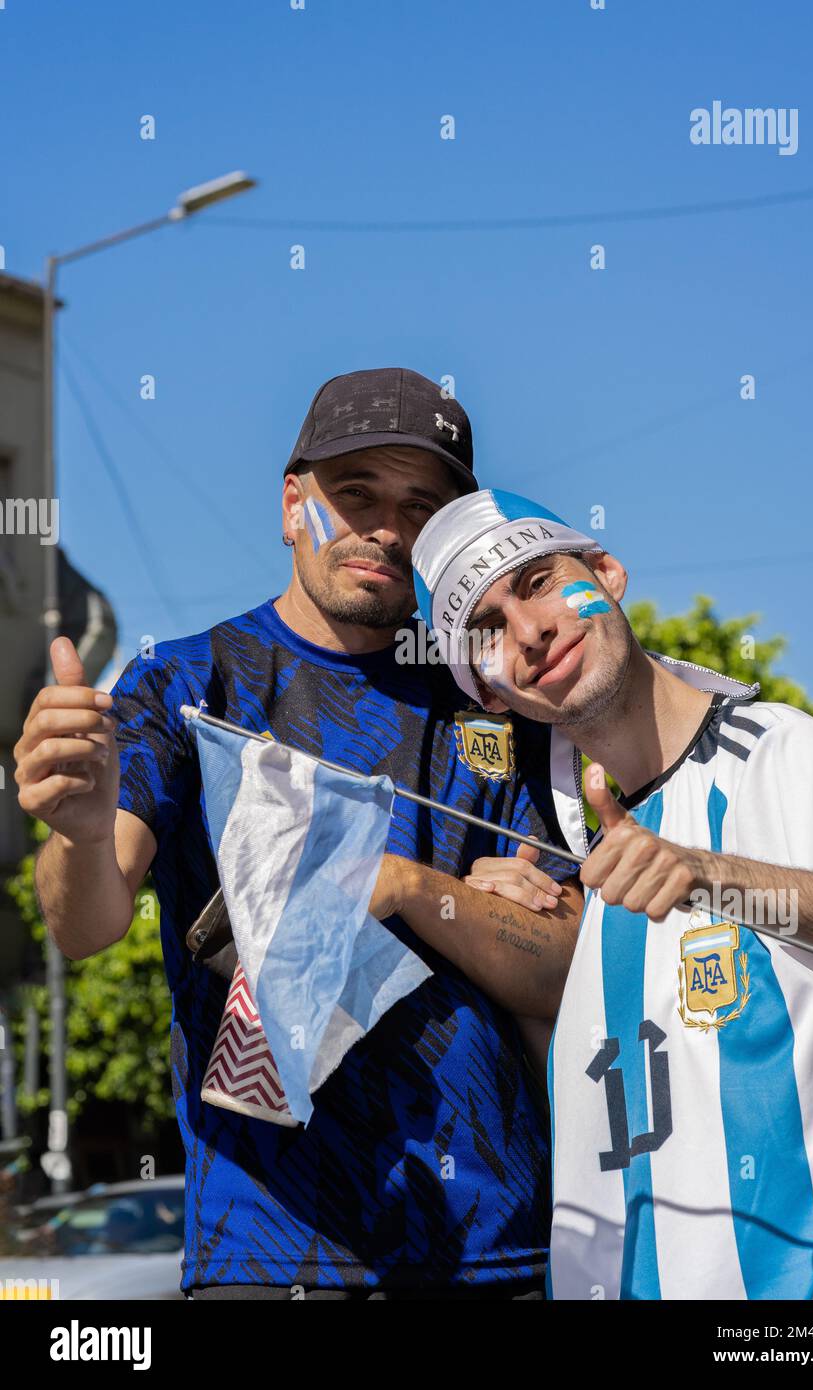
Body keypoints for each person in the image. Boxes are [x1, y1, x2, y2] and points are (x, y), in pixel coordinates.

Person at [14, 372, 581, 1300]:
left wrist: (405, 885)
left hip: (495, 1250)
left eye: (421, 507)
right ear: (292, 504)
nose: (387, 529)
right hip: (269, 1247)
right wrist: (78, 833)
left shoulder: (501, 697)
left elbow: (562, 969)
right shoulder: (182, 684)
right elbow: (84, 926)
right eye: (353, 493)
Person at [410, 487, 813, 1300]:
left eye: (539, 581)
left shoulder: (777, 751)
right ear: (488, 695)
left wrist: (712, 873)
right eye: (487, 631)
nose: (530, 632)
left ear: (606, 573)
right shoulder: (559, 856)